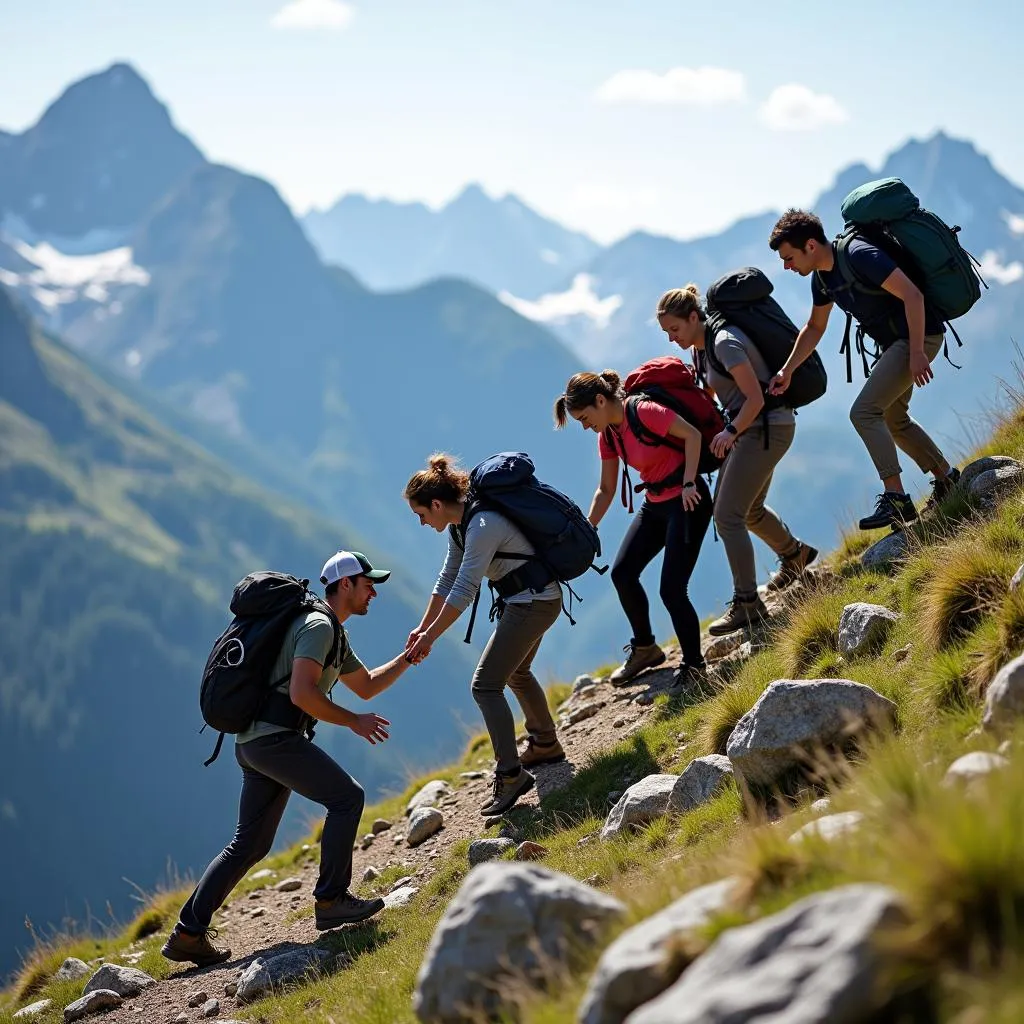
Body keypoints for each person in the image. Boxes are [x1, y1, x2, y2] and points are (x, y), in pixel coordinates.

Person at [162, 551, 413, 967]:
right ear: (345, 585)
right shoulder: (317, 627)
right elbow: (302, 694)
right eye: (369, 583)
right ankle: (331, 900)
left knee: (249, 844)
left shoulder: (330, 631)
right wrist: (353, 722)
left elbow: (366, 686)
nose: (374, 591)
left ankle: (188, 934)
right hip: (274, 742)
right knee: (347, 798)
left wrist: (408, 657)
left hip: (255, 744)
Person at [768, 209, 959, 529]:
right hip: (897, 344)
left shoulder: (859, 255)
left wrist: (915, 352)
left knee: (864, 412)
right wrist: (787, 370)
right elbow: (814, 327)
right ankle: (948, 479)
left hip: (918, 336)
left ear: (811, 246)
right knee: (893, 417)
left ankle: (896, 497)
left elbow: (912, 295)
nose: (787, 266)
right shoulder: (822, 278)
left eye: (789, 258)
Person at [404, 454, 565, 818]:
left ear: (436, 504)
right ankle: (545, 744)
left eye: (421, 515)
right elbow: (448, 578)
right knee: (516, 673)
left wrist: (430, 637)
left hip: (533, 603)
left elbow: (464, 589)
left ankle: (510, 775)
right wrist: (422, 626)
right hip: (529, 599)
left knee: (485, 686)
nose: (422, 522)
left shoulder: (482, 525)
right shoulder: (460, 526)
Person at [656, 284, 817, 635]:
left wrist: (729, 433)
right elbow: (714, 392)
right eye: (667, 332)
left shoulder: (724, 342)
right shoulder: (703, 350)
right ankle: (796, 556)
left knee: (727, 515)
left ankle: (747, 603)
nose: (672, 338)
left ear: (695, 317)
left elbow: (755, 397)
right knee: (750, 511)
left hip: (764, 427)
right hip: (753, 430)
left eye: (675, 329)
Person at [554, 371, 712, 690]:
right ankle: (645, 649)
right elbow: (606, 488)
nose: (586, 426)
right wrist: (588, 528)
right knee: (623, 573)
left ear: (600, 401)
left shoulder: (643, 411)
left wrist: (690, 482)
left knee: (671, 589)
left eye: (585, 418)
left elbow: (692, 435)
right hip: (655, 503)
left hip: (687, 500)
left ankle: (695, 665)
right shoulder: (608, 435)